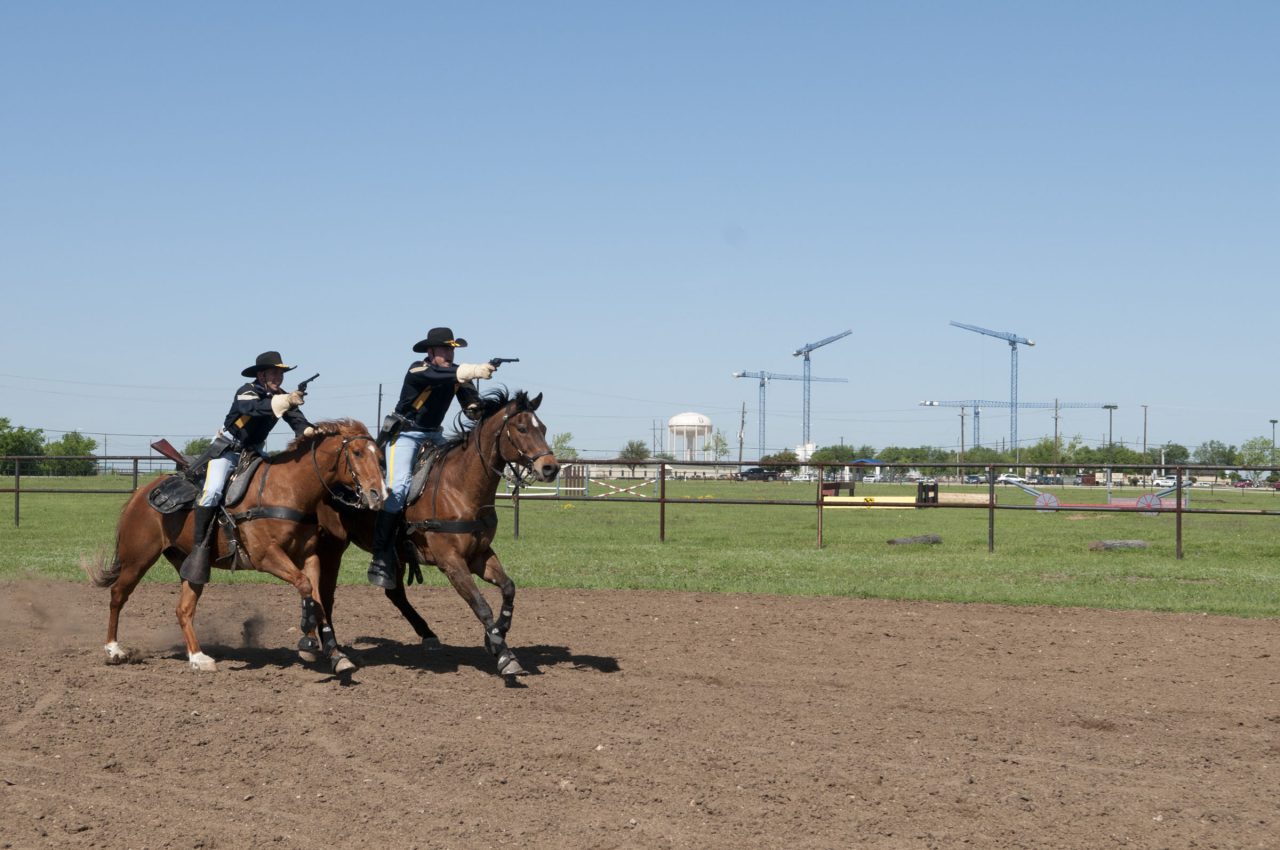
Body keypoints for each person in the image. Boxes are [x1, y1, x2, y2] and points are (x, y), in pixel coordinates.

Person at [368, 327, 497, 589]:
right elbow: (445, 375)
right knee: (399, 487)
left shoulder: (456, 375)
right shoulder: (419, 369)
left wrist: (477, 408)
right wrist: (475, 370)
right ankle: (380, 553)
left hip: (434, 435)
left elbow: (471, 405)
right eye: (445, 349)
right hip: (406, 435)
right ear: (430, 351)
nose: (450, 354)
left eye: (452, 350)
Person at [179, 351, 316, 585]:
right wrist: (285, 401)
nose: (278, 378)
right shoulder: (247, 391)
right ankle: (199, 547)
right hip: (227, 451)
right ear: (261, 375)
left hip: (254, 452)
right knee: (212, 491)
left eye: (281, 374)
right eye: (274, 373)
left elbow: (298, 423)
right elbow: (253, 407)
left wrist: (311, 432)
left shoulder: (281, 396)